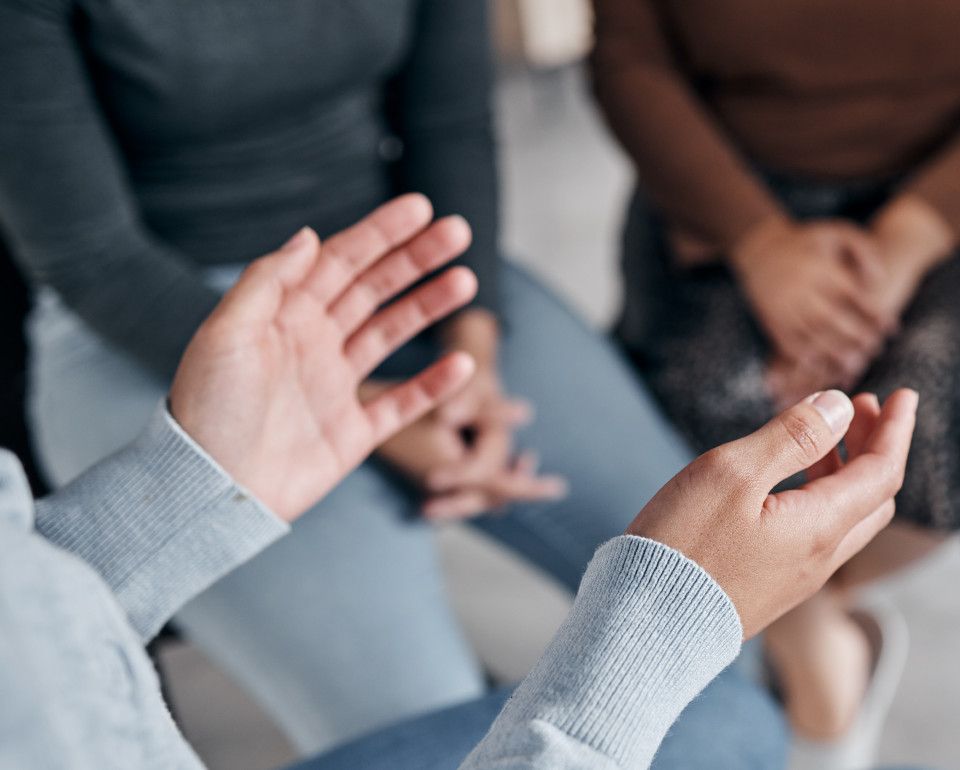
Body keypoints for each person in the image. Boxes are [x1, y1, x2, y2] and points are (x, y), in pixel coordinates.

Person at [0, 0, 706, 754]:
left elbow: (450, 125)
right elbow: (91, 258)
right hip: (149, 318)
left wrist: (471, 353)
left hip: (400, 265)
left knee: (700, 581)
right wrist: (387, 417)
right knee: (433, 738)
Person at [0, 196, 920, 769]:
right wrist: (654, 630)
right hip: (144, 333)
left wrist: (188, 487)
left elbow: (26, 624)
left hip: (385, 318)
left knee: (729, 714)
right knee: (722, 723)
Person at [589, 0, 960, 750]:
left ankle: (786, 633)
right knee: (707, 396)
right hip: (731, 187)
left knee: (922, 403)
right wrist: (761, 245)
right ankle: (823, 677)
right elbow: (629, 62)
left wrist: (910, 238)